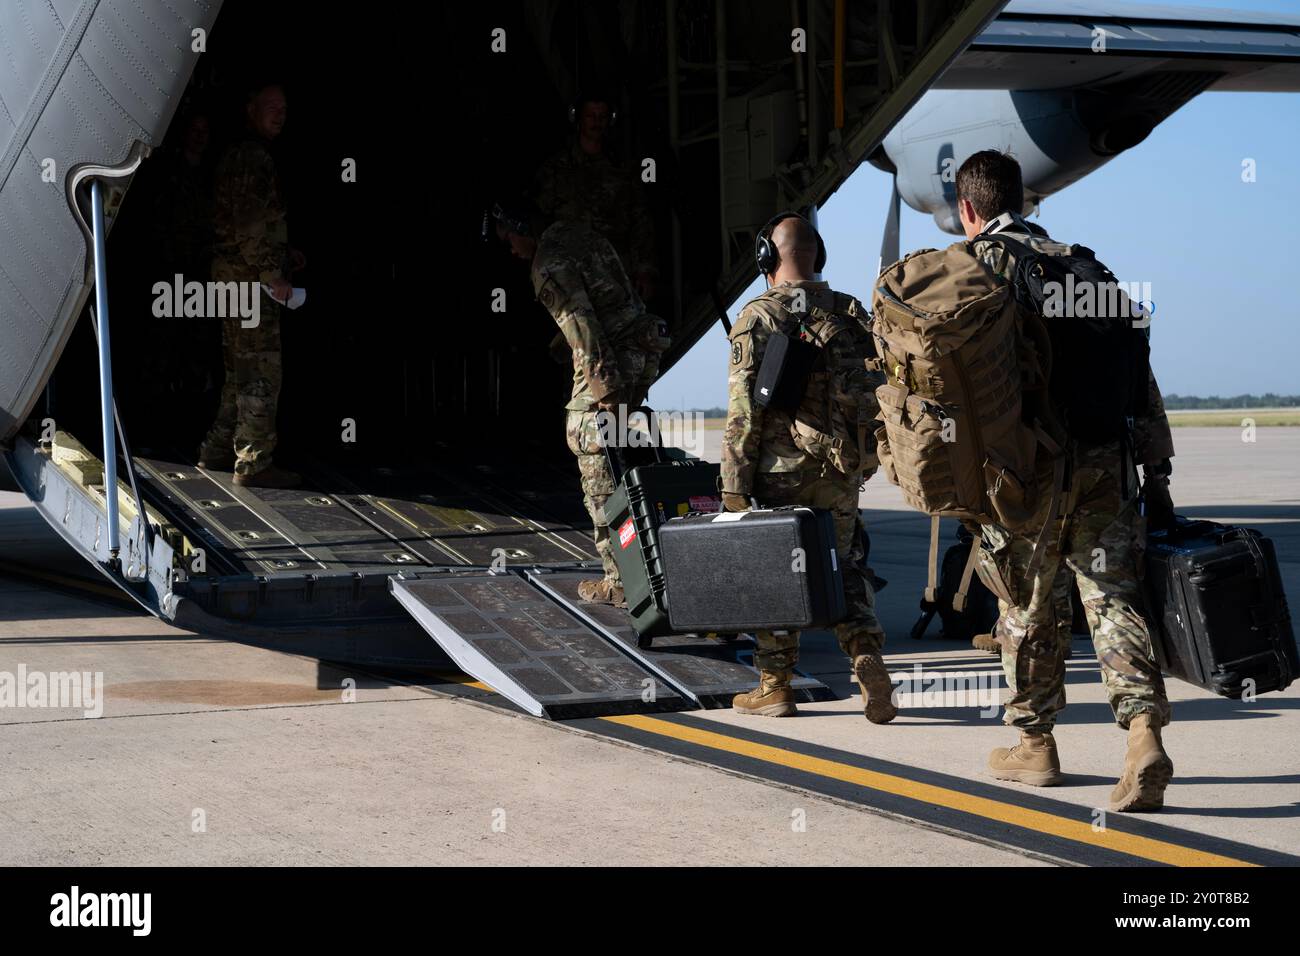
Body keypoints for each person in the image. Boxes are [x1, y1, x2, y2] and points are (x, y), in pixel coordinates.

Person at [954, 150, 1176, 811]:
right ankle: (1142, 736)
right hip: (1105, 454)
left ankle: (1036, 744)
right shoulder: (1080, 262)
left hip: (1024, 469)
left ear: (967, 209)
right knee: (1111, 597)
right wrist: (1153, 461)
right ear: (1024, 200)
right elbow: (1138, 365)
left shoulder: (970, 269)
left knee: (1026, 604)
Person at [721, 213, 894, 723]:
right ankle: (866, 655)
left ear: (766, 259)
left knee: (777, 574)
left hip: (780, 472)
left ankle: (775, 686)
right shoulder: (851, 312)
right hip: (840, 470)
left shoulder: (759, 316)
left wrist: (733, 484)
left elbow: (743, 412)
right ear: (818, 255)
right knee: (844, 565)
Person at [490, 199, 668, 604]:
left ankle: (620, 582)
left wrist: (604, 392)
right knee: (630, 459)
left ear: (522, 227)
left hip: (613, 361)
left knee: (594, 457)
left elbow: (582, 325)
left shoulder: (547, 263)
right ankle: (656, 562)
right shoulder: (577, 233)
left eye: (510, 238)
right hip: (642, 349)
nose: (512, 249)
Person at [197, 83, 304, 488]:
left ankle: (219, 448)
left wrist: (282, 252)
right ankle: (254, 463)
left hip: (232, 277)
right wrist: (271, 274)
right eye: (272, 107)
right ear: (250, 109)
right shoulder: (252, 157)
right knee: (261, 370)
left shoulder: (240, 154)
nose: (280, 114)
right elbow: (251, 223)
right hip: (247, 281)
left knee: (238, 369)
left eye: (284, 107)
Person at [533, 93, 657, 300]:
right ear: (578, 118)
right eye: (591, 115)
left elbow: (641, 221)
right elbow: (538, 222)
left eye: (602, 116)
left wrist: (645, 271)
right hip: (570, 277)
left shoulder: (624, 169)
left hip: (615, 273)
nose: (597, 122)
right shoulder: (555, 169)